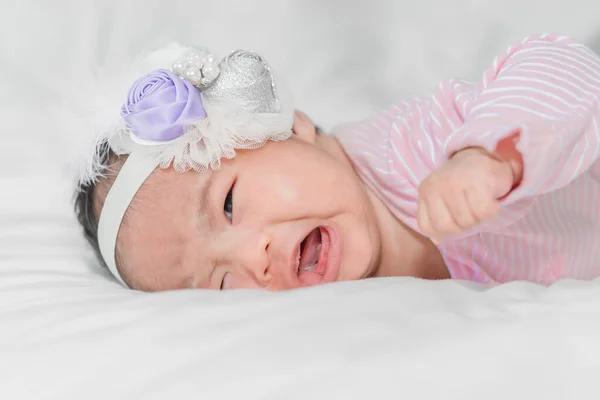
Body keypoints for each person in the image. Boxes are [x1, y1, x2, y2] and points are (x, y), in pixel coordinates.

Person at [75, 34, 600, 292]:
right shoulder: (355, 317)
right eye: (222, 284)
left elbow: (558, 62)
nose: (251, 260)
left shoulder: (414, 147)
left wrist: (487, 155)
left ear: (295, 127)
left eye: (230, 203)